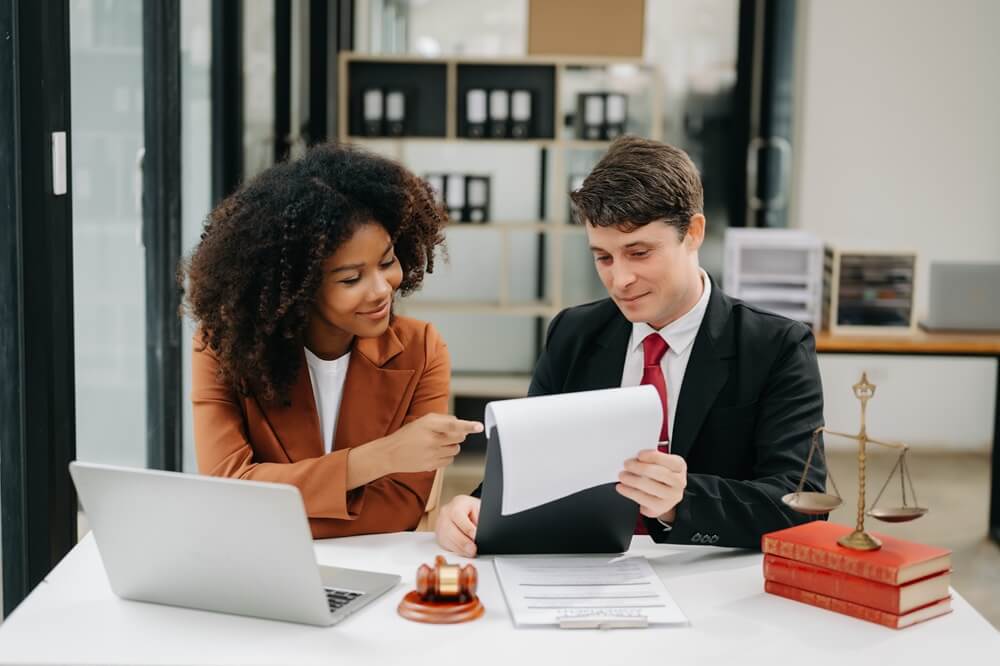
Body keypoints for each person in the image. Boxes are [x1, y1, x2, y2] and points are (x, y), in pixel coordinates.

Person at [435, 136, 826, 556]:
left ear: (693, 233)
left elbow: (800, 506)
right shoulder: (574, 333)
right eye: (603, 257)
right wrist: (472, 506)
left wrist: (682, 501)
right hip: (582, 568)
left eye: (639, 253)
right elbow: (525, 467)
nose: (619, 280)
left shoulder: (776, 346)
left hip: (710, 578)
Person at [183, 143, 482, 539]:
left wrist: (271, 500)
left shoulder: (421, 350)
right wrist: (385, 455)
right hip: (259, 569)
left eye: (387, 261)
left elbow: (401, 508)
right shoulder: (221, 349)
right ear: (296, 289)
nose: (381, 290)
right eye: (350, 279)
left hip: (376, 572)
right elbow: (229, 488)